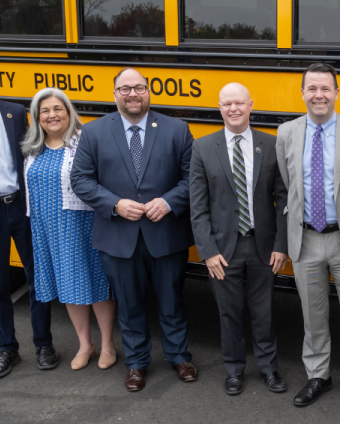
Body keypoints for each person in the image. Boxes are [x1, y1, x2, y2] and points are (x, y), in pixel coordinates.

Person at [71, 67, 197, 392]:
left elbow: (192, 179)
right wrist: (115, 204)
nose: (132, 94)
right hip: (118, 236)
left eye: (138, 88)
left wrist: (168, 202)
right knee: (129, 305)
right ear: (114, 94)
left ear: (149, 91)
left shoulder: (177, 129)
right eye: (125, 89)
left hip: (166, 233)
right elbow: (81, 180)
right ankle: (137, 363)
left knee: (172, 301)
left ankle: (179, 356)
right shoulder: (94, 132)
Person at [275, 63, 340, 411]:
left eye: (325, 89)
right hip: (305, 240)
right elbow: (290, 186)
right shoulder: (286, 133)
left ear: (337, 92)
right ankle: (317, 375)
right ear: (302, 92)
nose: (318, 95)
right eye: (312, 89)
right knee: (312, 314)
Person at [189, 83, 288, 396]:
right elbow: (198, 206)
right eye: (227, 104)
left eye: (239, 103)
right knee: (228, 312)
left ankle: (269, 369)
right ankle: (233, 370)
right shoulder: (203, 147)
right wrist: (207, 252)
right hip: (222, 249)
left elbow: (284, 199)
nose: (233, 109)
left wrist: (281, 245)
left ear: (251, 105)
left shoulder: (271, 145)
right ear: (219, 108)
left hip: (262, 246)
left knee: (264, 311)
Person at [22, 88, 115, 371]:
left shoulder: (83, 142)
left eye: (58, 109)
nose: (52, 115)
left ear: (68, 112)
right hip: (47, 230)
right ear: (37, 117)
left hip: (83, 225)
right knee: (68, 286)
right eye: (45, 110)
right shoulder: (31, 149)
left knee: (96, 282)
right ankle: (85, 344)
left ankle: (108, 344)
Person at [0, 98, 59, 378]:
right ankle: (6, 347)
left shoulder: (15, 112)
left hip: (23, 207)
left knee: (37, 278)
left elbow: (33, 153)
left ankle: (44, 344)